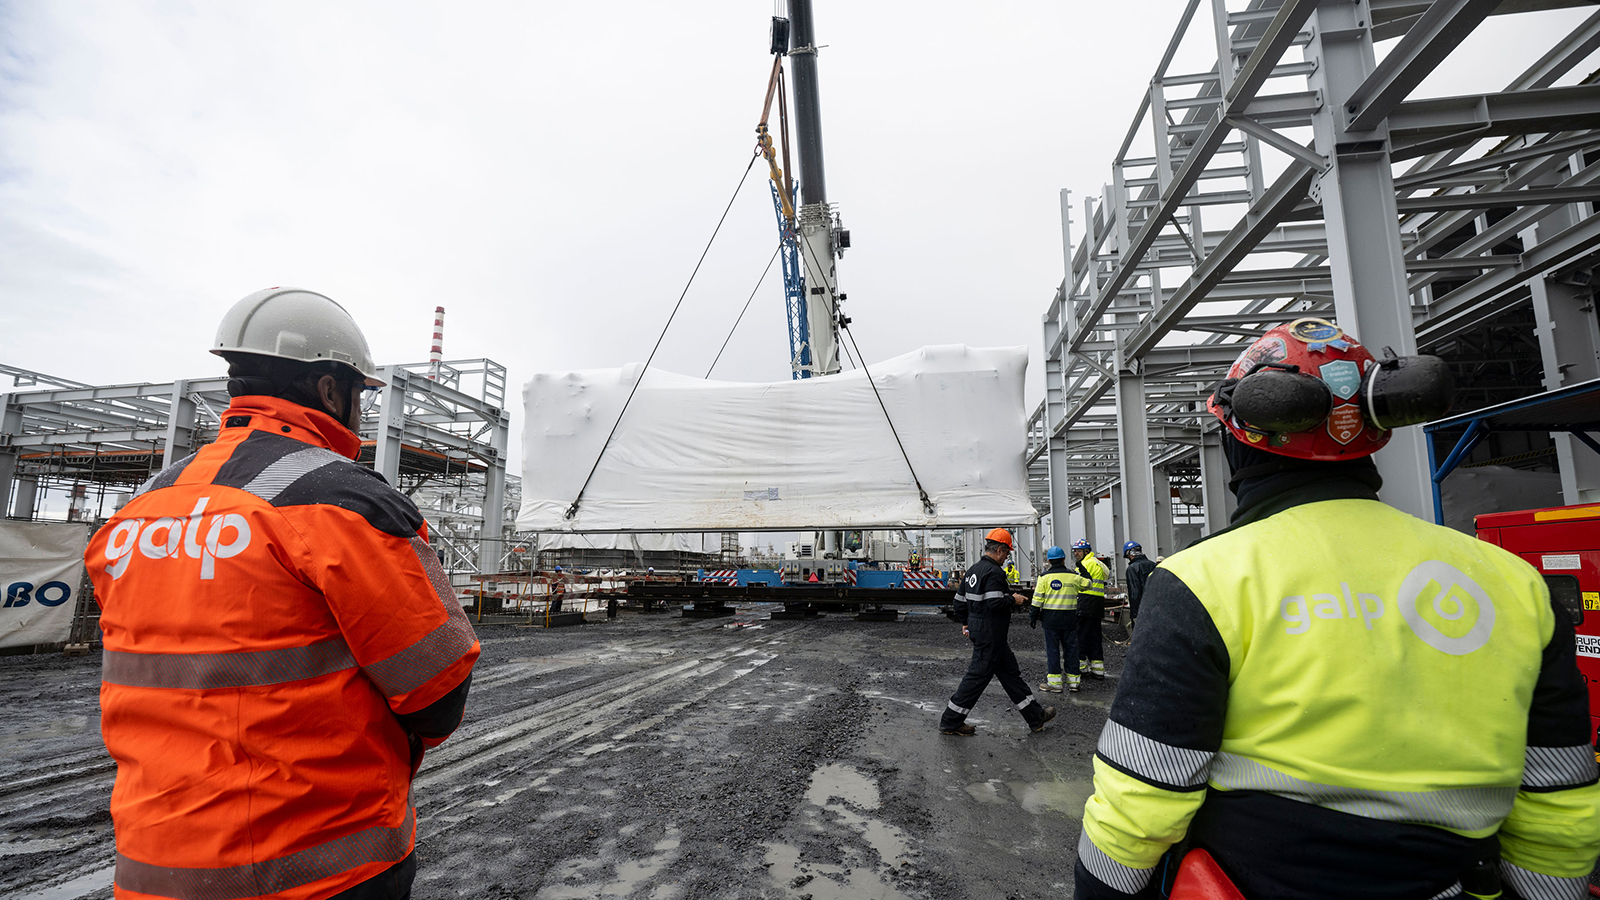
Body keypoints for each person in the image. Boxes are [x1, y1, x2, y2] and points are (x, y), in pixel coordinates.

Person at [1075, 318, 1600, 899]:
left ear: (1237, 439)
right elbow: (1558, 793)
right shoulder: (1511, 581)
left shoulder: (1205, 580)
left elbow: (1142, 796)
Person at [86, 287, 481, 900]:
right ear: (330, 391)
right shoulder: (344, 504)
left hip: (154, 867)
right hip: (320, 870)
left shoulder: (136, 513)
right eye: (359, 396)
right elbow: (437, 693)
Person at [940, 528, 1057, 735]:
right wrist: (1014, 599)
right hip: (991, 634)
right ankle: (950, 721)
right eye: (1007, 553)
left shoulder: (973, 571)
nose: (1006, 558)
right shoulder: (994, 572)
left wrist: (966, 623)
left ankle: (1035, 717)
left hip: (984, 632)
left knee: (1011, 675)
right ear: (1000, 550)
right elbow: (995, 603)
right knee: (976, 678)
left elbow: (958, 602)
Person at [1030, 546, 1091, 693]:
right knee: (1071, 649)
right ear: (1063, 559)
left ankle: (1055, 684)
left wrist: (1033, 616)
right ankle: (1074, 683)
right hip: (1069, 619)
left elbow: (1037, 600)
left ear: (1049, 561)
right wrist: (1081, 567)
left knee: (1052, 650)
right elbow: (1089, 583)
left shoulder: (1044, 578)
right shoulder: (1074, 577)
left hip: (1050, 620)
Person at [1072, 539, 1110, 678]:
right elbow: (1107, 576)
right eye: (1075, 551)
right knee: (1095, 636)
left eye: (1078, 551)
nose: (1076, 553)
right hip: (1098, 604)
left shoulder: (1084, 564)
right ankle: (1098, 669)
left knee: (1081, 636)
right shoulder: (1098, 563)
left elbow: (1076, 583)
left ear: (1086, 551)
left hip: (1085, 603)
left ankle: (1081, 668)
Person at [1122, 541, 1156, 627]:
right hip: (1156, 610)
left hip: (1142, 611)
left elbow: (1134, 593)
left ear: (1130, 554)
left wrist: (1135, 615)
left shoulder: (1132, 568)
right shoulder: (1153, 565)